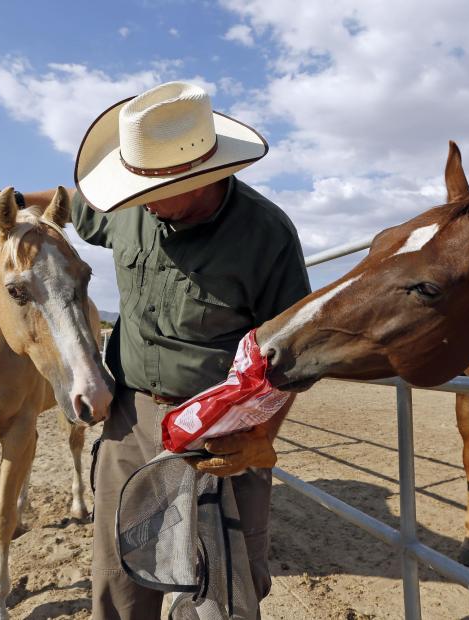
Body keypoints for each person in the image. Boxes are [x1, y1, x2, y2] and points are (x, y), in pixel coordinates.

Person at [20, 81, 311, 619]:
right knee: (118, 575)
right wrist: (14, 200)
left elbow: (291, 353)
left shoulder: (266, 235)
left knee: (225, 580)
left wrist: (262, 438)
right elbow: (74, 205)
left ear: (201, 178)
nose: (136, 200)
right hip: (128, 417)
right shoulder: (132, 208)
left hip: (221, 431)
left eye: (147, 189)